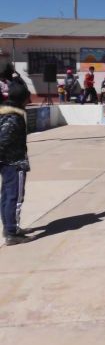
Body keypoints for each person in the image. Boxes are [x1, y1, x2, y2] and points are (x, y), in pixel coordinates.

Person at [0, 83, 34, 246]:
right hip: (13, 162)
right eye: (27, 97)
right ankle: (12, 232)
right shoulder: (13, 116)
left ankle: (9, 228)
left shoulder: (6, 112)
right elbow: (3, 140)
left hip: (8, 162)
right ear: (22, 98)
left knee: (7, 196)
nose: (29, 100)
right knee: (14, 197)